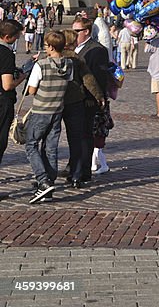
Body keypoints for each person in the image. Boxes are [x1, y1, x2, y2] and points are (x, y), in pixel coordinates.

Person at [24, 30, 73, 203]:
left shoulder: (41, 65)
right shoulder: (69, 64)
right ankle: (49, 185)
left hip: (41, 111)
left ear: (51, 47)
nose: (45, 48)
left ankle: (43, 180)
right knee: (50, 148)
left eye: (46, 45)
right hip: (57, 110)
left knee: (31, 145)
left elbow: (31, 90)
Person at [61, 28, 105, 191]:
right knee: (77, 138)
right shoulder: (77, 59)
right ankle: (76, 174)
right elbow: (89, 80)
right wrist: (99, 96)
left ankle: (46, 177)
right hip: (74, 101)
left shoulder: (49, 58)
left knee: (49, 140)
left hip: (54, 103)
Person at [72, 17, 110, 182]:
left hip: (88, 99)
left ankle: (83, 170)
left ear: (86, 31)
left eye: (76, 31)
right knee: (76, 135)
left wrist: (95, 98)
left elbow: (99, 77)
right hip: (75, 99)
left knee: (85, 135)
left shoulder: (97, 50)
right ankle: (74, 166)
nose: (73, 34)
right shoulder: (75, 48)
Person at [0, 21, 29, 184]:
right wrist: (23, 76)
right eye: (17, 36)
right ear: (7, 37)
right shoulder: (5, 53)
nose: (19, 38)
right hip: (2, 102)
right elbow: (7, 84)